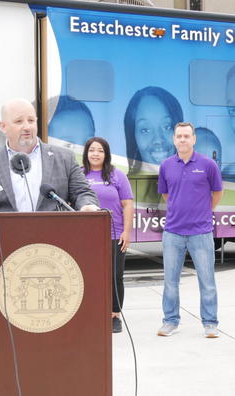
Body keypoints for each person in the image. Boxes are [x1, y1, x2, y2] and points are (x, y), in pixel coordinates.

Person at [0, 98, 99, 223]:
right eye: (19, 121)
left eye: (31, 120)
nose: (27, 127)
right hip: (3, 243)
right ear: (3, 126)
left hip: (52, 243)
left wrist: (87, 206)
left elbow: (82, 193)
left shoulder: (64, 158)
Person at [156, 122, 223, 338]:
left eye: (187, 136)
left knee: (207, 280)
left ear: (194, 139)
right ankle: (170, 321)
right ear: (174, 139)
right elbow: (167, 195)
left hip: (201, 232)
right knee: (170, 281)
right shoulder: (166, 165)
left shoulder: (207, 164)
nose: (183, 140)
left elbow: (217, 192)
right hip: (173, 232)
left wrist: (203, 211)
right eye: (179, 136)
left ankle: (210, 323)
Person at [82, 137, 133, 334]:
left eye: (100, 150)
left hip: (114, 233)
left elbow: (127, 204)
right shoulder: (79, 175)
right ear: (86, 152)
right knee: (88, 276)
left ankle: (114, 315)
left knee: (115, 276)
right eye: (92, 150)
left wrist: (126, 232)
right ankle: (91, 313)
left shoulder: (117, 175)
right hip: (87, 237)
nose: (95, 154)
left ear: (106, 154)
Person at [124, 86, 184, 174]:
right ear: (133, 137)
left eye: (167, 127)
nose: (158, 140)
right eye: (145, 130)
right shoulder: (123, 186)